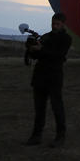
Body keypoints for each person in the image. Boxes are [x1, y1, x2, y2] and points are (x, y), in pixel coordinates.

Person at [25, 12, 72, 147]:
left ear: (63, 24)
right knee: (39, 108)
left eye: (57, 24)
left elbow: (58, 55)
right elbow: (35, 57)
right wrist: (31, 49)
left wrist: (42, 49)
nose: (55, 26)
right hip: (40, 76)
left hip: (54, 76)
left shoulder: (66, 39)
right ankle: (36, 136)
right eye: (53, 24)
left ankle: (60, 136)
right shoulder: (45, 37)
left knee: (57, 107)